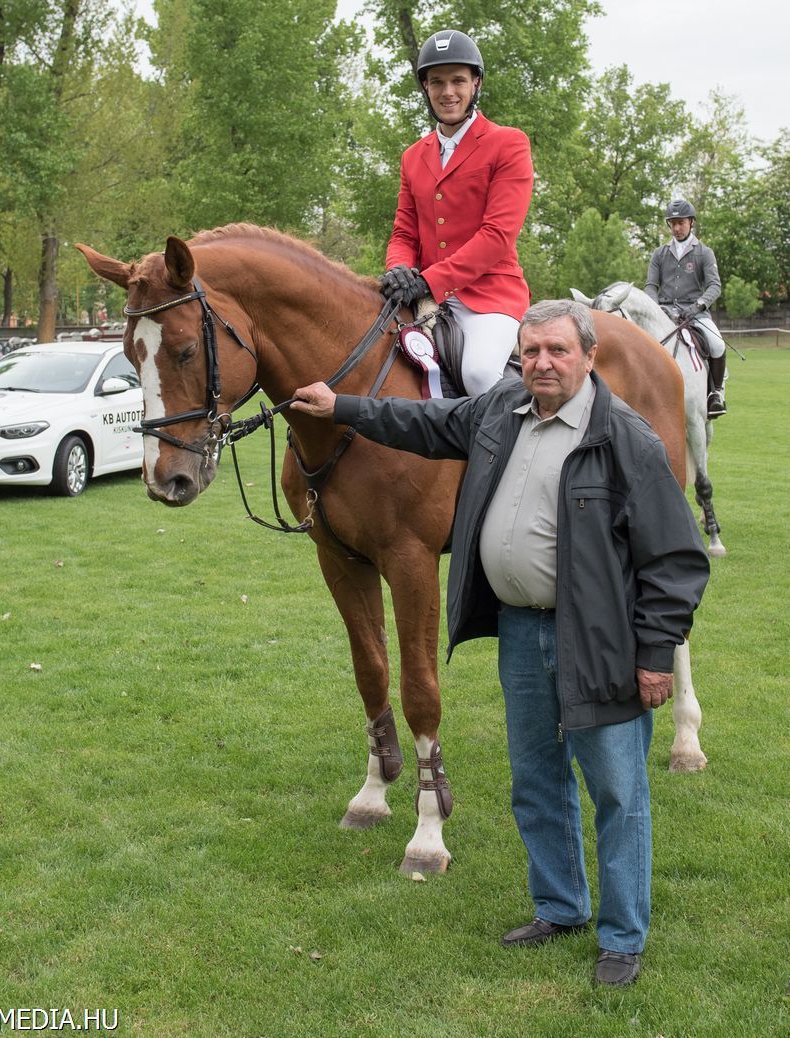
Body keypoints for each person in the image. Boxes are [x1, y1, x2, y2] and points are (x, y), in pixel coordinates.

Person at [291, 299, 710, 987]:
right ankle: (560, 907)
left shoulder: (625, 438)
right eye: (531, 351)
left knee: (616, 791)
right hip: (520, 629)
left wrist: (656, 653)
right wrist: (342, 406)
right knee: (537, 782)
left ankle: (622, 937)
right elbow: (425, 422)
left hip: (599, 638)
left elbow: (675, 560)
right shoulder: (501, 411)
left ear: (589, 357)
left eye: (558, 351)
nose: (542, 363)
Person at [379, 29, 533, 395]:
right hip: (423, 296)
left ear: (476, 83)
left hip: (489, 295)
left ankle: (520, 433)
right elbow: (404, 234)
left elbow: (497, 236)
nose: (448, 92)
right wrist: (398, 269)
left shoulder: (508, 143)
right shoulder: (413, 156)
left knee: (479, 374)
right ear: (426, 87)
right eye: (437, 82)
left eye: (458, 81)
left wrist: (430, 281)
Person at [645, 199, 728, 417]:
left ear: (691, 222)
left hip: (695, 313)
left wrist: (697, 306)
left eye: (681, 223)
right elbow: (651, 286)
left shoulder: (704, 253)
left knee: (717, 344)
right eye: (673, 223)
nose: (676, 228)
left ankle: (716, 394)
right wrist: (655, 308)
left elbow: (714, 286)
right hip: (664, 312)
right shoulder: (659, 254)